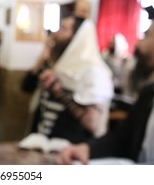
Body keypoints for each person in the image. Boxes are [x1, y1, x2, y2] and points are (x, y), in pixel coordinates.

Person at [59, 8, 154, 164]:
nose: (139, 43)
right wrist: (87, 149)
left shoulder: (96, 74)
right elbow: (123, 138)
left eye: (146, 36)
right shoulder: (150, 94)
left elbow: (92, 123)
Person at [22, 15, 113, 143]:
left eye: (63, 29)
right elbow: (27, 87)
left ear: (78, 37)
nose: (56, 33)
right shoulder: (60, 65)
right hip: (45, 141)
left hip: (69, 149)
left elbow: (91, 123)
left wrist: (60, 93)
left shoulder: (94, 73)